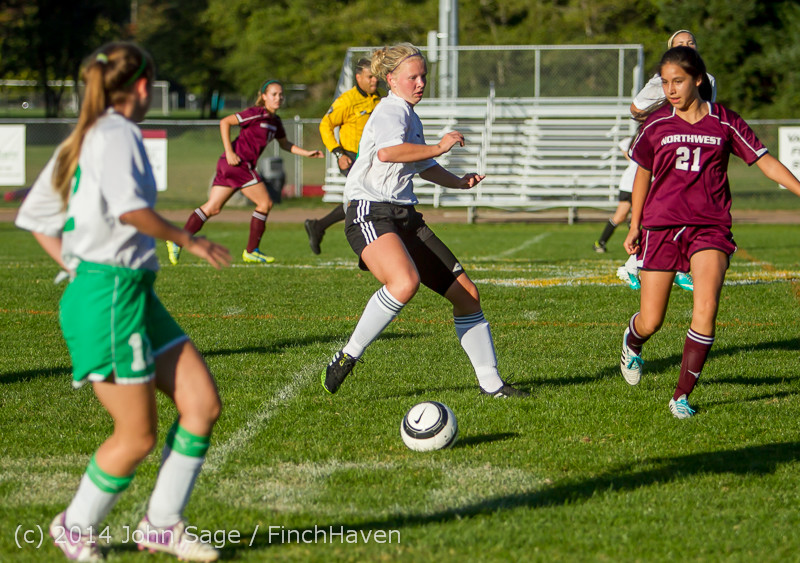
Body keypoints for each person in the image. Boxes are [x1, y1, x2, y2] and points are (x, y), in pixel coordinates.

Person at [14, 42, 231, 561]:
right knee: (136, 437)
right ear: (141, 86)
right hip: (109, 296)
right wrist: (188, 239)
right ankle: (75, 526)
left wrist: (76, 265)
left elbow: (36, 215)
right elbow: (132, 211)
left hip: (127, 291)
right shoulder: (115, 134)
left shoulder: (87, 135)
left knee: (201, 405)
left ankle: (162, 525)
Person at [321, 43, 527, 398]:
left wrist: (458, 181)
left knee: (468, 297)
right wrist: (439, 145)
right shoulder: (390, 111)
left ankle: (492, 385)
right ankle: (347, 355)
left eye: (423, 76)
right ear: (391, 80)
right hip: (370, 211)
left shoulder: (409, 115)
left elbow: (420, 165)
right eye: (412, 77)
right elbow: (388, 153)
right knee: (404, 283)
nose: (420, 83)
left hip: (405, 217)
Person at [619, 46, 800, 419]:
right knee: (652, 319)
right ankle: (632, 341)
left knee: (706, 306)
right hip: (661, 226)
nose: (671, 90)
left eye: (678, 81)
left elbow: (764, 162)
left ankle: (681, 396)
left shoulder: (726, 122)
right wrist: (635, 224)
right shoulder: (655, 125)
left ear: (698, 79)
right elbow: (642, 174)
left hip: (710, 227)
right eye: (666, 83)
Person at [167, 80, 322, 265]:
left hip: (232, 166)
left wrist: (307, 153)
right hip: (237, 164)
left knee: (212, 208)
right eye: (274, 94)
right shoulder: (256, 113)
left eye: (281, 95)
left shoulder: (275, 121)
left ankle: (178, 240)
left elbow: (284, 144)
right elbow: (225, 122)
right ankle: (251, 251)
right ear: (264, 96)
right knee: (265, 203)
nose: (278, 98)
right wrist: (230, 151)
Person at [617, 29, 718, 292]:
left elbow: (705, 113)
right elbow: (636, 109)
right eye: (680, 44)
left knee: (688, 204)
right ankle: (638, 261)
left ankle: (672, 265)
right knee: (662, 206)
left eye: (690, 42)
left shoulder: (708, 79)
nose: (687, 46)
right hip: (665, 148)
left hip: (691, 148)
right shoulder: (662, 80)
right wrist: (670, 102)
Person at [305, 58, 381, 254]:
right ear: (358, 77)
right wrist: (338, 152)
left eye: (376, 76)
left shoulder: (378, 99)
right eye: (370, 76)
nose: (375, 80)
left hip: (370, 158)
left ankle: (318, 226)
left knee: (362, 200)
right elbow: (325, 125)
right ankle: (368, 246)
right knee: (367, 198)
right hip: (351, 158)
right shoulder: (347, 100)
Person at [593, 136, 635, 254]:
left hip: (638, 185)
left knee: (636, 217)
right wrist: (629, 158)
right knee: (621, 216)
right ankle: (600, 242)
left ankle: (636, 245)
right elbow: (623, 143)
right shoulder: (640, 139)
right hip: (629, 185)